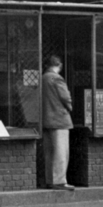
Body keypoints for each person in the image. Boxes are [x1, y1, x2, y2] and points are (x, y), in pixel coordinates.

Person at [40, 55, 74, 190]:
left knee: (49, 152)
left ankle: (50, 180)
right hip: (60, 119)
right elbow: (65, 97)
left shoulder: (43, 78)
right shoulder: (57, 78)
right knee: (61, 152)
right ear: (59, 65)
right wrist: (70, 107)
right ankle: (59, 181)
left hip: (46, 119)